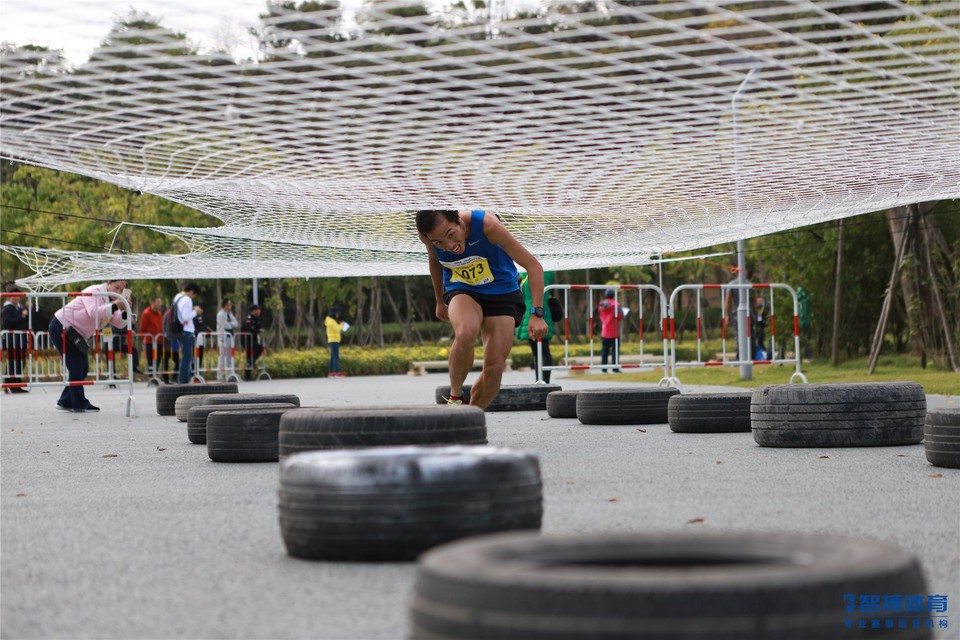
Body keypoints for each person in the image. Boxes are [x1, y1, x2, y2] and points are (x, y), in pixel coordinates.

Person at [417, 209, 547, 409]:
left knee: (494, 368)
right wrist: (439, 299)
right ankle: (455, 397)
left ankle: (471, 420)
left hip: (502, 291)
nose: (449, 246)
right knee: (466, 331)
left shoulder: (488, 225)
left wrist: (537, 314)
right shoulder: (428, 237)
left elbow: (533, 266)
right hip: (462, 287)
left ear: (460, 221)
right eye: (439, 242)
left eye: (451, 235)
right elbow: (435, 260)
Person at [48, 279, 130, 412]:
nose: (119, 292)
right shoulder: (93, 291)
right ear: (108, 283)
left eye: (122, 290)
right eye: (116, 287)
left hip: (77, 335)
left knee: (83, 368)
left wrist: (125, 310)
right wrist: (116, 305)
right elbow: (94, 312)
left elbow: (119, 323)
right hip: (62, 327)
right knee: (76, 366)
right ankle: (79, 404)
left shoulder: (110, 302)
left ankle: (65, 401)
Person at [516, 271, 555, 383]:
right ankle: (541, 380)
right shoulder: (526, 275)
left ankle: (542, 381)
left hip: (535, 314)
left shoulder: (530, 275)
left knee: (541, 352)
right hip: (536, 313)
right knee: (540, 352)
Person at [2, 283, 30, 393]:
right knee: (13, 362)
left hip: (20, 340)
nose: (17, 298)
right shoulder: (7, 309)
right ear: (9, 296)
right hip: (12, 340)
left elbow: (26, 323)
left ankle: (16, 384)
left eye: (18, 296)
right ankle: (10, 385)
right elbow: (8, 323)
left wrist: (26, 313)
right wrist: (21, 316)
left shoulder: (19, 308)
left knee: (20, 362)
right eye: (14, 296)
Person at [173, 282, 202, 384]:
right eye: (194, 295)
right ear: (192, 292)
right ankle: (184, 380)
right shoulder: (187, 299)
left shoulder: (178, 297)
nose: (193, 297)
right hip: (187, 331)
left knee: (184, 356)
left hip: (179, 330)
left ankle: (183, 379)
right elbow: (185, 317)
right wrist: (195, 312)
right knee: (187, 357)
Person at [598, 288, 624, 373]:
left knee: (604, 351)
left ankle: (604, 368)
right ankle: (615, 368)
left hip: (605, 331)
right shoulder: (616, 305)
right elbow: (621, 316)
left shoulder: (602, 305)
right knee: (615, 351)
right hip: (614, 332)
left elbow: (600, 315)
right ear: (614, 295)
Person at [139, 297, 164, 379]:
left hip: (159, 341)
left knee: (158, 359)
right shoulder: (147, 313)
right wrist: (144, 340)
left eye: (160, 302)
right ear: (153, 303)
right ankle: (151, 378)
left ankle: (155, 376)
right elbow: (143, 328)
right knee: (151, 360)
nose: (160, 304)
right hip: (150, 341)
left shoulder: (159, 313)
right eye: (158, 302)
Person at [216, 299, 239, 381]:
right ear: (224, 305)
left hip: (230, 337)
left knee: (229, 357)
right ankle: (220, 375)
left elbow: (236, 324)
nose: (230, 306)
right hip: (223, 338)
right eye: (228, 305)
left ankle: (229, 375)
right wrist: (231, 324)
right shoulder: (220, 314)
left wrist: (231, 324)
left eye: (230, 305)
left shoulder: (230, 314)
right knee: (222, 356)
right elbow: (226, 325)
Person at [240, 304, 263, 381]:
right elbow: (249, 329)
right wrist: (257, 330)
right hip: (247, 341)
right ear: (253, 311)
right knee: (259, 348)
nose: (259, 311)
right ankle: (250, 363)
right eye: (257, 310)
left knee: (249, 356)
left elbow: (258, 327)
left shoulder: (257, 318)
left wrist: (256, 330)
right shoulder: (248, 319)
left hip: (253, 340)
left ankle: (248, 376)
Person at [324, 306, 346, 378]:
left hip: (333, 339)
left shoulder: (330, 321)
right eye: (337, 314)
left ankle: (331, 372)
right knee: (336, 357)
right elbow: (337, 329)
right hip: (334, 340)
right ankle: (336, 372)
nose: (338, 315)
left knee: (333, 357)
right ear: (334, 314)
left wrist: (339, 324)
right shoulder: (331, 321)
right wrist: (342, 325)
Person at [751, 295, 769, 360]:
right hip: (756, 328)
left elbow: (765, 318)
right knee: (757, 342)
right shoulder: (755, 309)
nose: (759, 303)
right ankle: (760, 355)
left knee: (760, 341)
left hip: (761, 328)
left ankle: (764, 355)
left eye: (760, 301)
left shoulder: (764, 309)